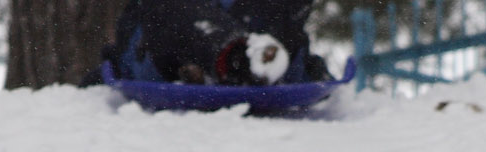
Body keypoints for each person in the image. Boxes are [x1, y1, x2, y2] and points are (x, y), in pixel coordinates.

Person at [96, 0, 329, 86]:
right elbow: (133, 43)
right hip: (165, 61)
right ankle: (238, 59)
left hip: (270, 61)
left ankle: (255, 61)